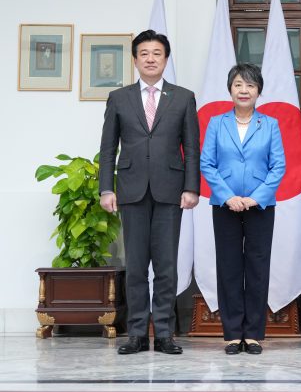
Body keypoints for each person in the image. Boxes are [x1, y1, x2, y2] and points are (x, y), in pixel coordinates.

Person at [99, 30, 200, 355]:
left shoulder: (183, 97)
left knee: (167, 266)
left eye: (157, 53)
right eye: (144, 53)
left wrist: (191, 187)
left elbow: (191, 149)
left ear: (166, 59)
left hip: (171, 191)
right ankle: (138, 334)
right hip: (131, 191)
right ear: (135, 59)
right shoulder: (119, 97)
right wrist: (106, 188)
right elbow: (107, 146)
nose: (151, 58)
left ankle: (166, 334)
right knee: (137, 265)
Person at [200, 63, 285, 355]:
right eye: (238, 84)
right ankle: (233, 333)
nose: (244, 90)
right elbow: (207, 164)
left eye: (250, 85)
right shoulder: (216, 122)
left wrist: (255, 197)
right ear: (230, 90)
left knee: (258, 268)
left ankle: (254, 333)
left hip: (260, 206)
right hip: (225, 206)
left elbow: (278, 167)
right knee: (229, 267)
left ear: (258, 90)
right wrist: (227, 196)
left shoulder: (270, 124)